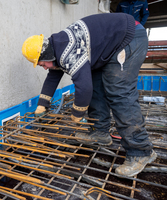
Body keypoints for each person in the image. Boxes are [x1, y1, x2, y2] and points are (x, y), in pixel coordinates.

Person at [21, 13, 157, 177]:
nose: (43, 67)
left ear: (47, 56)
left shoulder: (67, 52)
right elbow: (53, 77)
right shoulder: (56, 47)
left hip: (129, 37)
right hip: (111, 46)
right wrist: (42, 104)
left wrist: (77, 113)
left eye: (42, 64)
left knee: (119, 93)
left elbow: (83, 88)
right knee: (96, 84)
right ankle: (99, 132)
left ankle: (141, 152)